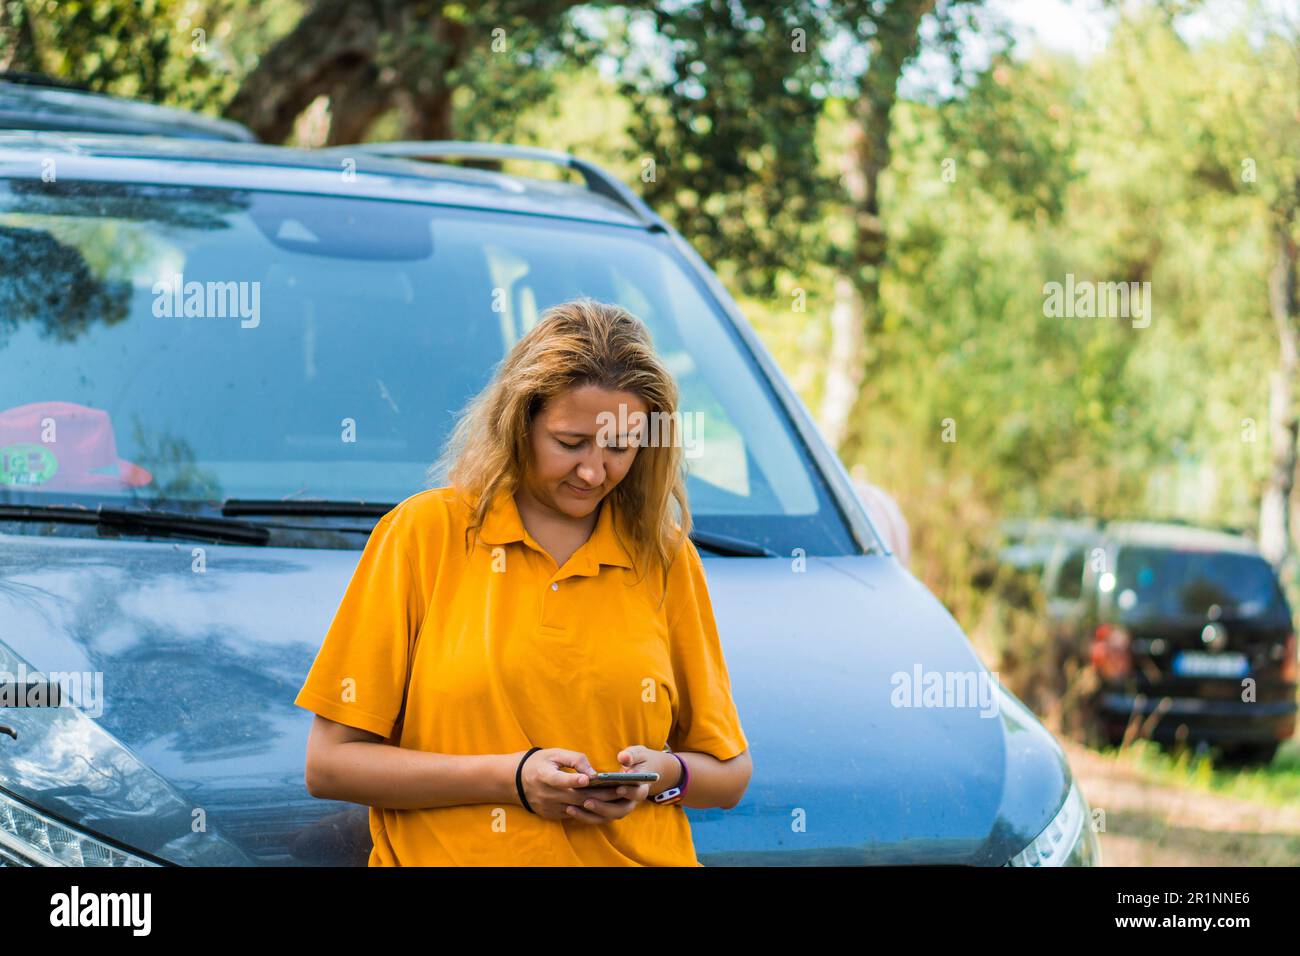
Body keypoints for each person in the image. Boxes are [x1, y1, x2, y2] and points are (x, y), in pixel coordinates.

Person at [294, 297, 752, 865]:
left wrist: (663, 776)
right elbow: (330, 765)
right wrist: (510, 779)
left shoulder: (665, 559)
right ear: (519, 422)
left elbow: (729, 775)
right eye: (570, 443)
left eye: (619, 447)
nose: (593, 471)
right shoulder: (422, 535)